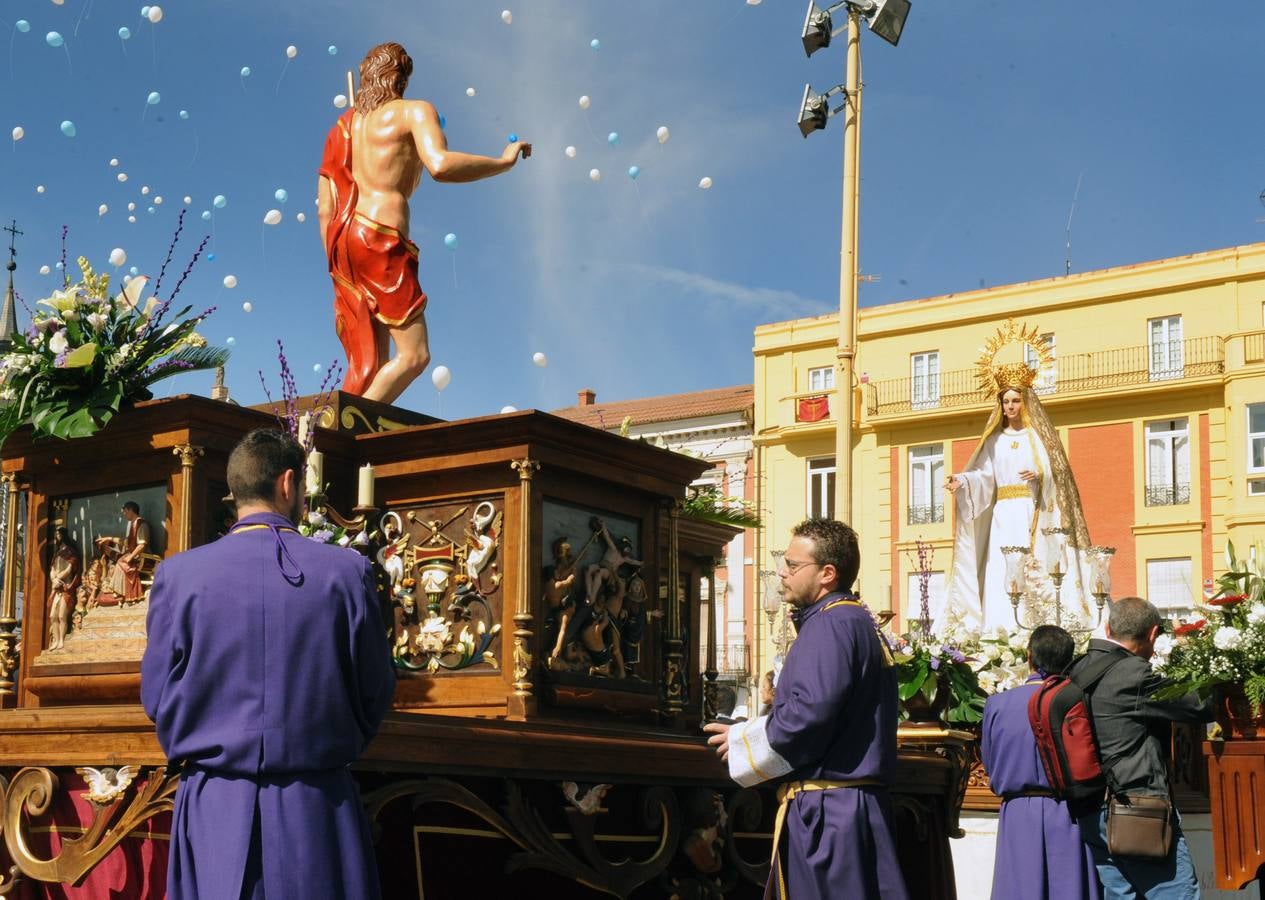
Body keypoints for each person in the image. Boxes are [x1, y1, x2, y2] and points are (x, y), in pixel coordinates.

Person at [141, 429, 396, 899]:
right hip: (317, 809)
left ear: (235, 490)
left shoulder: (177, 575)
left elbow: (156, 697)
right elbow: (374, 690)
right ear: (287, 483)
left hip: (213, 810)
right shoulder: (347, 572)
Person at [704, 518, 907, 899]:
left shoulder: (830, 624)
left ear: (827, 573)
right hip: (852, 807)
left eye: (793, 565)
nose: (782, 572)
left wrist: (742, 739)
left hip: (829, 815)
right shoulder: (855, 619)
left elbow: (810, 712)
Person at [318, 42, 531, 404]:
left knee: (372, 362)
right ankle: (343, 427)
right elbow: (441, 165)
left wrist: (336, 264)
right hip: (382, 234)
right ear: (400, 77)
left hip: (345, 241)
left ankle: (341, 427)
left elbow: (326, 208)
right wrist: (503, 162)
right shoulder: (414, 112)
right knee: (414, 355)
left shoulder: (343, 127)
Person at [1071, 597, 1212, 898]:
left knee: (1120, 894)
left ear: (1108, 628)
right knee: (1176, 893)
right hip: (1136, 810)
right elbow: (1199, 706)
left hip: (1090, 808)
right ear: (1153, 634)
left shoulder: (1078, 667)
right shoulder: (1134, 674)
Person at [945, 380, 1094, 630]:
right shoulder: (994, 441)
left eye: (1015, 401)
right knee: (1000, 566)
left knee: (1031, 564)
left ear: (1025, 403)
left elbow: (1059, 473)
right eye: (1006, 402)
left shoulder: (1037, 437)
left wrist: (1040, 475)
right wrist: (963, 480)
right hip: (1003, 513)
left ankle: (1035, 622)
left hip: (1031, 509)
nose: (1010, 406)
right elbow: (984, 475)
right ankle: (999, 627)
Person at [981, 624, 1101, 900]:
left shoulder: (997, 705)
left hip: (1018, 813)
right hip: (1068, 812)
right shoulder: (1078, 701)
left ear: (1029, 656)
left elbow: (989, 763)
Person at [95, 501, 151, 606]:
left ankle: (123, 593)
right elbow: (125, 542)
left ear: (130, 510)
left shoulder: (142, 524)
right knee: (118, 558)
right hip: (133, 556)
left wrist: (131, 557)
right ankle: (117, 591)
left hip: (142, 558)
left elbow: (142, 545)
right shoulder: (133, 525)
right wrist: (108, 538)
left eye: (125, 511)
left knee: (122, 563)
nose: (124, 514)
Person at [47, 527, 81, 651]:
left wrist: (58, 578)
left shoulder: (70, 551)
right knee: (53, 616)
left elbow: (69, 569)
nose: (57, 536)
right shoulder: (57, 553)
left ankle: (61, 639)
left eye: (59, 534)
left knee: (62, 616)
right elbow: (52, 569)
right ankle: (55, 640)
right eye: (56, 534)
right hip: (57, 588)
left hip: (66, 587)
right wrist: (53, 579)